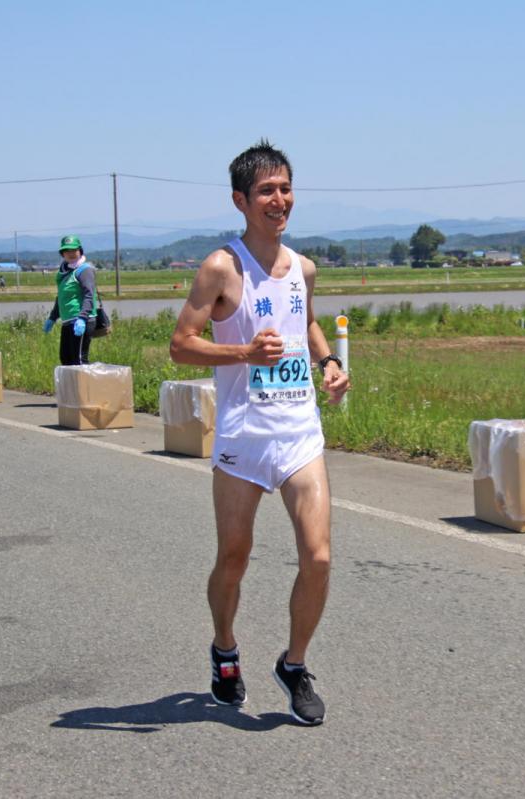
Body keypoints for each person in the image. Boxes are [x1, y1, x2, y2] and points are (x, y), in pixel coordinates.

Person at [169, 140, 350, 726]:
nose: (280, 200)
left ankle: (294, 666)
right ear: (241, 201)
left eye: (286, 188)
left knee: (318, 557)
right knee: (234, 557)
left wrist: (328, 364)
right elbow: (181, 345)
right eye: (267, 191)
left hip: (299, 432)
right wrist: (244, 350)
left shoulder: (304, 268)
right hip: (244, 441)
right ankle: (225, 651)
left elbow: (310, 323)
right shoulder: (222, 268)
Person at [43, 235, 98, 365]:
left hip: (81, 320)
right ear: (62, 254)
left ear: (80, 251)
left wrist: (82, 318)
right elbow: (61, 297)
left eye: (74, 250)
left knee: (79, 360)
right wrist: (52, 317)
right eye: (67, 251)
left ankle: (86, 385)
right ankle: (71, 386)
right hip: (67, 321)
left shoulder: (84, 270)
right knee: (66, 359)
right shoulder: (63, 273)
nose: (71, 254)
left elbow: (89, 295)